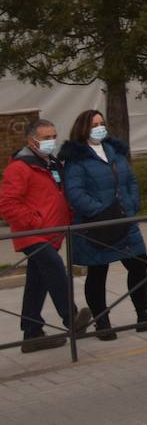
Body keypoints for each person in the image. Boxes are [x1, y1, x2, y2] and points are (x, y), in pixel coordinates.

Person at [60, 110, 147, 339]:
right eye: (94, 125)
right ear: (83, 129)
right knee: (98, 272)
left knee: (138, 265)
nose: (100, 128)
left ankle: (145, 314)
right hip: (97, 225)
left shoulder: (115, 152)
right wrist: (99, 210)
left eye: (102, 123)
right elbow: (74, 193)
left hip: (124, 220)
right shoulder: (76, 160)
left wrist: (130, 205)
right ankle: (103, 323)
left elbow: (131, 180)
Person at [0, 118, 92, 352]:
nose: (51, 141)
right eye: (46, 138)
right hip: (34, 234)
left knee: (37, 282)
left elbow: (57, 196)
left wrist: (68, 219)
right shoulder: (19, 167)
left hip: (52, 233)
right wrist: (36, 223)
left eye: (53, 137)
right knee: (54, 268)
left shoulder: (51, 163)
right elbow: (7, 204)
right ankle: (71, 319)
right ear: (32, 141)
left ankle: (32, 334)